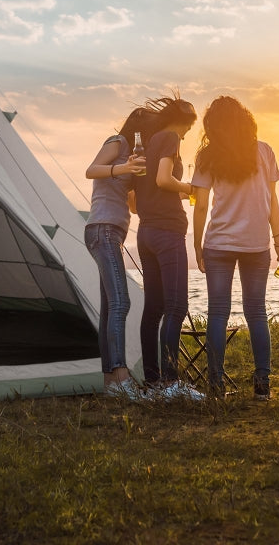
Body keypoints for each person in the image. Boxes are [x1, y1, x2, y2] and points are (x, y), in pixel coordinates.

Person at [191, 96, 279, 400]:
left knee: (218, 312)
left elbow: (200, 207)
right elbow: (271, 200)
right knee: (256, 312)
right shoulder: (264, 151)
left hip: (219, 242)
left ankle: (215, 386)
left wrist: (197, 246)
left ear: (213, 126)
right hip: (256, 243)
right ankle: (262, 385)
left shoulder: (207, 156)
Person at [134, 95, 204, 401]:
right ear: (185, 122)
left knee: (154, 310)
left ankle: (152, 383)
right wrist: (189, 188)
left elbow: (145, 191)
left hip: (146, 232)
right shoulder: (171, 137)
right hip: (166, 232)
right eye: (190, 128)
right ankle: (171, 383)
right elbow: (164, 180)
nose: (188, 135)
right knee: (176, 306)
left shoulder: (149, 142)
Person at [85, 107, 153, 400]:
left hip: (112, 232)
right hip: (102, 229)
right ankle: (121, 377)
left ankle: (110, 383)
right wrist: (124, 168)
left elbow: (134, 206)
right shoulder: (118, 142)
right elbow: (91, 170)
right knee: (121, 303)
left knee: (110, 308)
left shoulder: (135, 156)